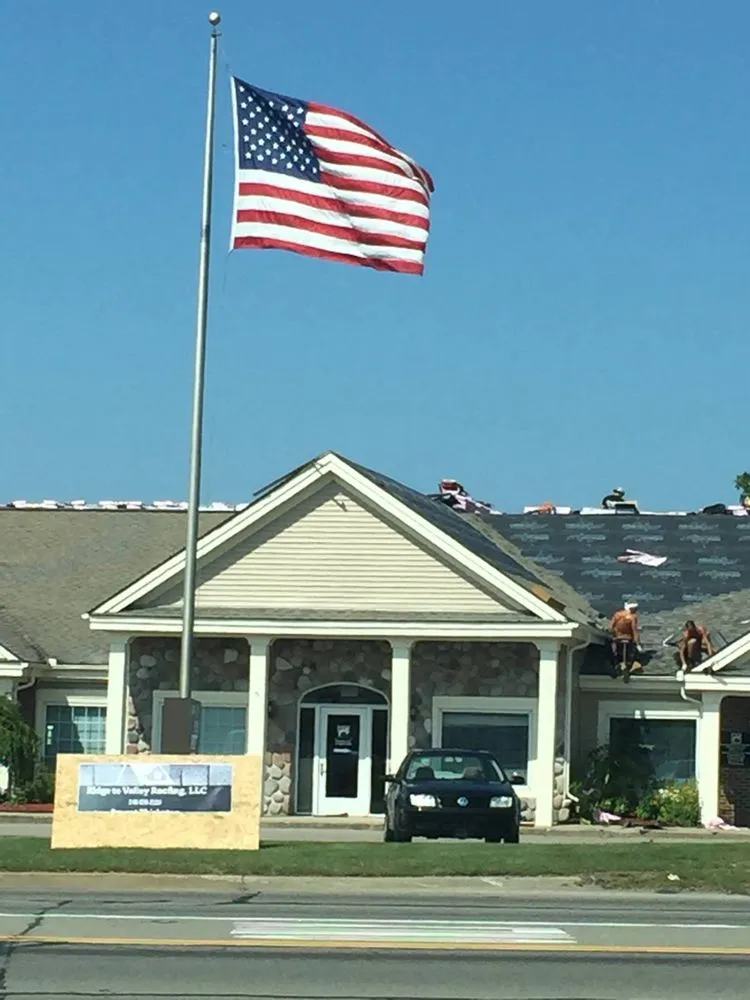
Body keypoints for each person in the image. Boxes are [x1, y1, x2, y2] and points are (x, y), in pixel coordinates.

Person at [610, 601, 642, 674]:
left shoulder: (617, 615)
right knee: (633, 652)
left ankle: (617, 664)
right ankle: (630, 664)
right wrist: (637, 643)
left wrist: (613, 636)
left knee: (615, 651)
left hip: (618, 638)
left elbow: (611, 627)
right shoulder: (633, 617)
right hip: (628, 638)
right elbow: (634, 630)